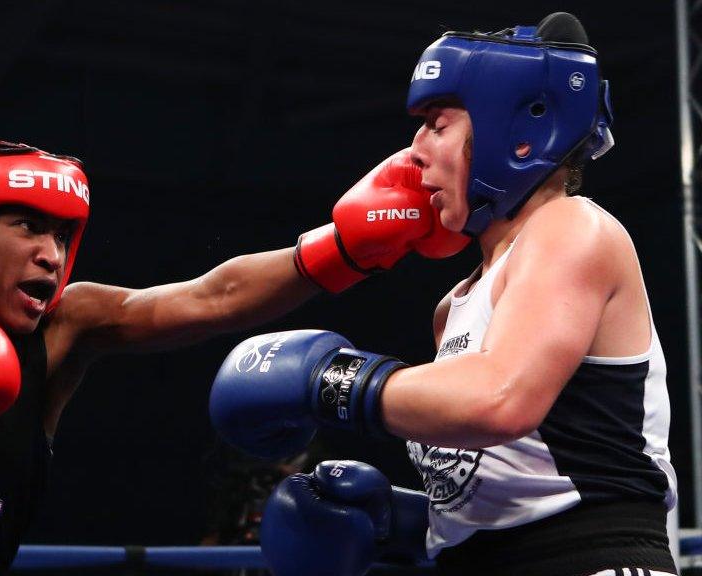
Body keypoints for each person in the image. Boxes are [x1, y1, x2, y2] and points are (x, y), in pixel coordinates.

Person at [0, 135, 466, 576]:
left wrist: (338, 251)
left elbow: (207, 299)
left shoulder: (66, 330)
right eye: (28, 226)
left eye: (63, 235)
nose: (50, 254)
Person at [209, 12, 679, 576]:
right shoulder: (453, 307)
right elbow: (499, 486)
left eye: (437, 124)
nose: (414, 151)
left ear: (518, 130)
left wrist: (329, 382)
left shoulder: (572, 228)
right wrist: (395, 523)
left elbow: (499, 399)